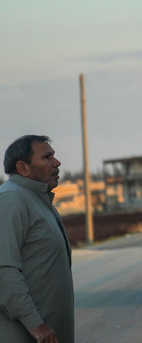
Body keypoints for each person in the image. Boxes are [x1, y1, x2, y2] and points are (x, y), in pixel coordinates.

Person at [0, 136, 73, 343]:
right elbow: (4, 270)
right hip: (27, 334)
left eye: (54, 156)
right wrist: (35, 325)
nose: (56, 162)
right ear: (23, 168)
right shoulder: (11, 199)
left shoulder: (38, 200)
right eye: (47, 157)